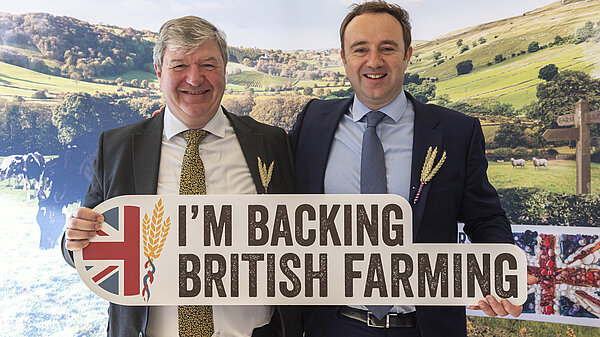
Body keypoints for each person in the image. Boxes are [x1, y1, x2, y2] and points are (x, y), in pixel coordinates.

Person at [289, 1, 524, 336]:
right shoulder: (313, 122)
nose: (374, 61)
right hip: (331, 324)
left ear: (407, 54)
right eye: (360, 49)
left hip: (423, 327)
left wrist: (500, 268)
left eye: (387, 48)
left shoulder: (457, 133)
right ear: (343, 58)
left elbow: (485, 217)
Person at [62, 16, 297, 337]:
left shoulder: (270, 143)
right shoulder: (117, 147)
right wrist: (74, 239)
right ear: (159, 72)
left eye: (208, 65)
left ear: (225, 69)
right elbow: (87, 238)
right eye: (179, 66)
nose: (195, 77)